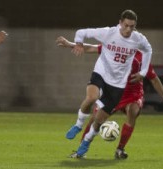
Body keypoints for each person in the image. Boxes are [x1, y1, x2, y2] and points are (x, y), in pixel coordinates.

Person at [56, 36, 163, 159]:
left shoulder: (141, 58)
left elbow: (154, 79)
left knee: (133, 111)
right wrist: (69, 44)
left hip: (132, 95)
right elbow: (91, 48)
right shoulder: (113, 48)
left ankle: (120, 149)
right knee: (95, 119)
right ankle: (81, 150)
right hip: (113, 93)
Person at [62, 9, 152, 158]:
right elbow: (82, 32)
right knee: (91, 97)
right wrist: (77, 43)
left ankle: (86, 142)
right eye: (126, 25)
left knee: (98, 121)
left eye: (132, 26)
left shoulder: (138, 39)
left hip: (118, 85)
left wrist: (143, 72)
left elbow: (148, 50)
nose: (128, 29)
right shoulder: (108, 33)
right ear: (120, 23)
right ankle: (78, 125)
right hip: (101, 74)